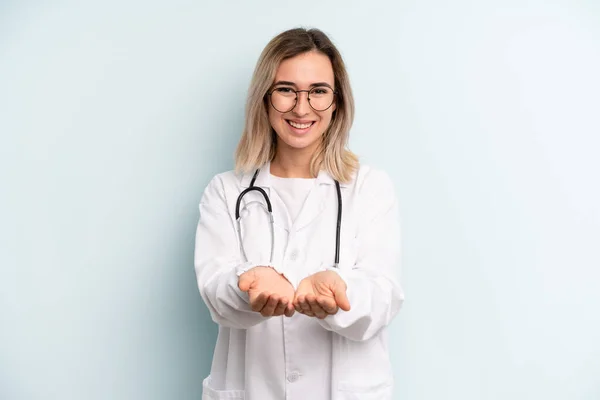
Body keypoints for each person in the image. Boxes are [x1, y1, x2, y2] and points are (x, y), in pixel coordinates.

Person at [194, 27, 404, 400]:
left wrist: (340, 291)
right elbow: (215, 292)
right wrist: (249, 283)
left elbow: (383, 295)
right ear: (265, 98)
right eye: (286, 90)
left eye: (318, 91)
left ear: (337, 101)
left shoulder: (370, 188)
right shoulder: (227, 191)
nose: (301, 108)